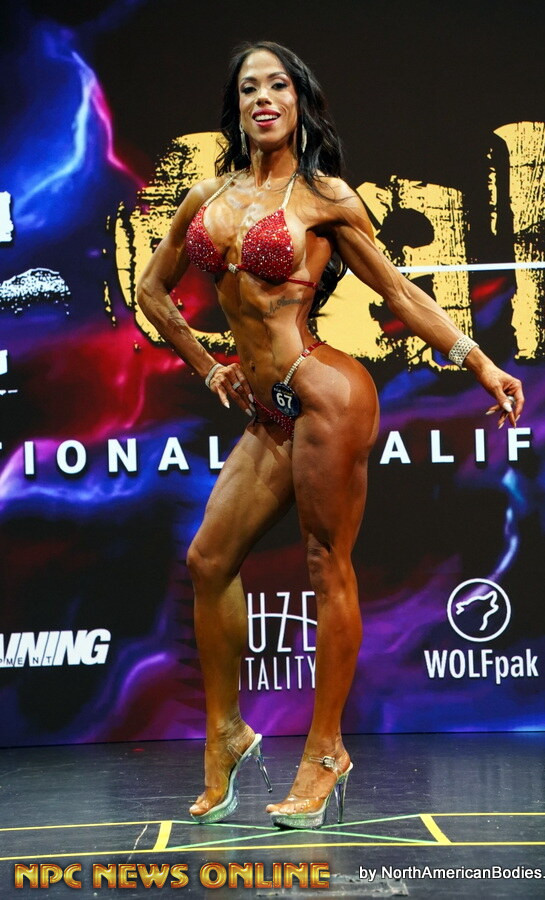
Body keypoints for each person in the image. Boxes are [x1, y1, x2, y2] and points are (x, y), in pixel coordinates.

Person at [136, 40, 524, 829]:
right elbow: (151, 290)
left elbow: (399, 292)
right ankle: (226, 734)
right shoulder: (209, 195)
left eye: (277, 85)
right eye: (249, 88)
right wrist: (209, 368)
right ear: (236, 106)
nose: (263, 98)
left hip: (326, 394)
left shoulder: (325, 197)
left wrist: (478, 360)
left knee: (324, 561)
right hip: (267, 409)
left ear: (299, 102)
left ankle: (325, 752)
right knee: (208, 560)